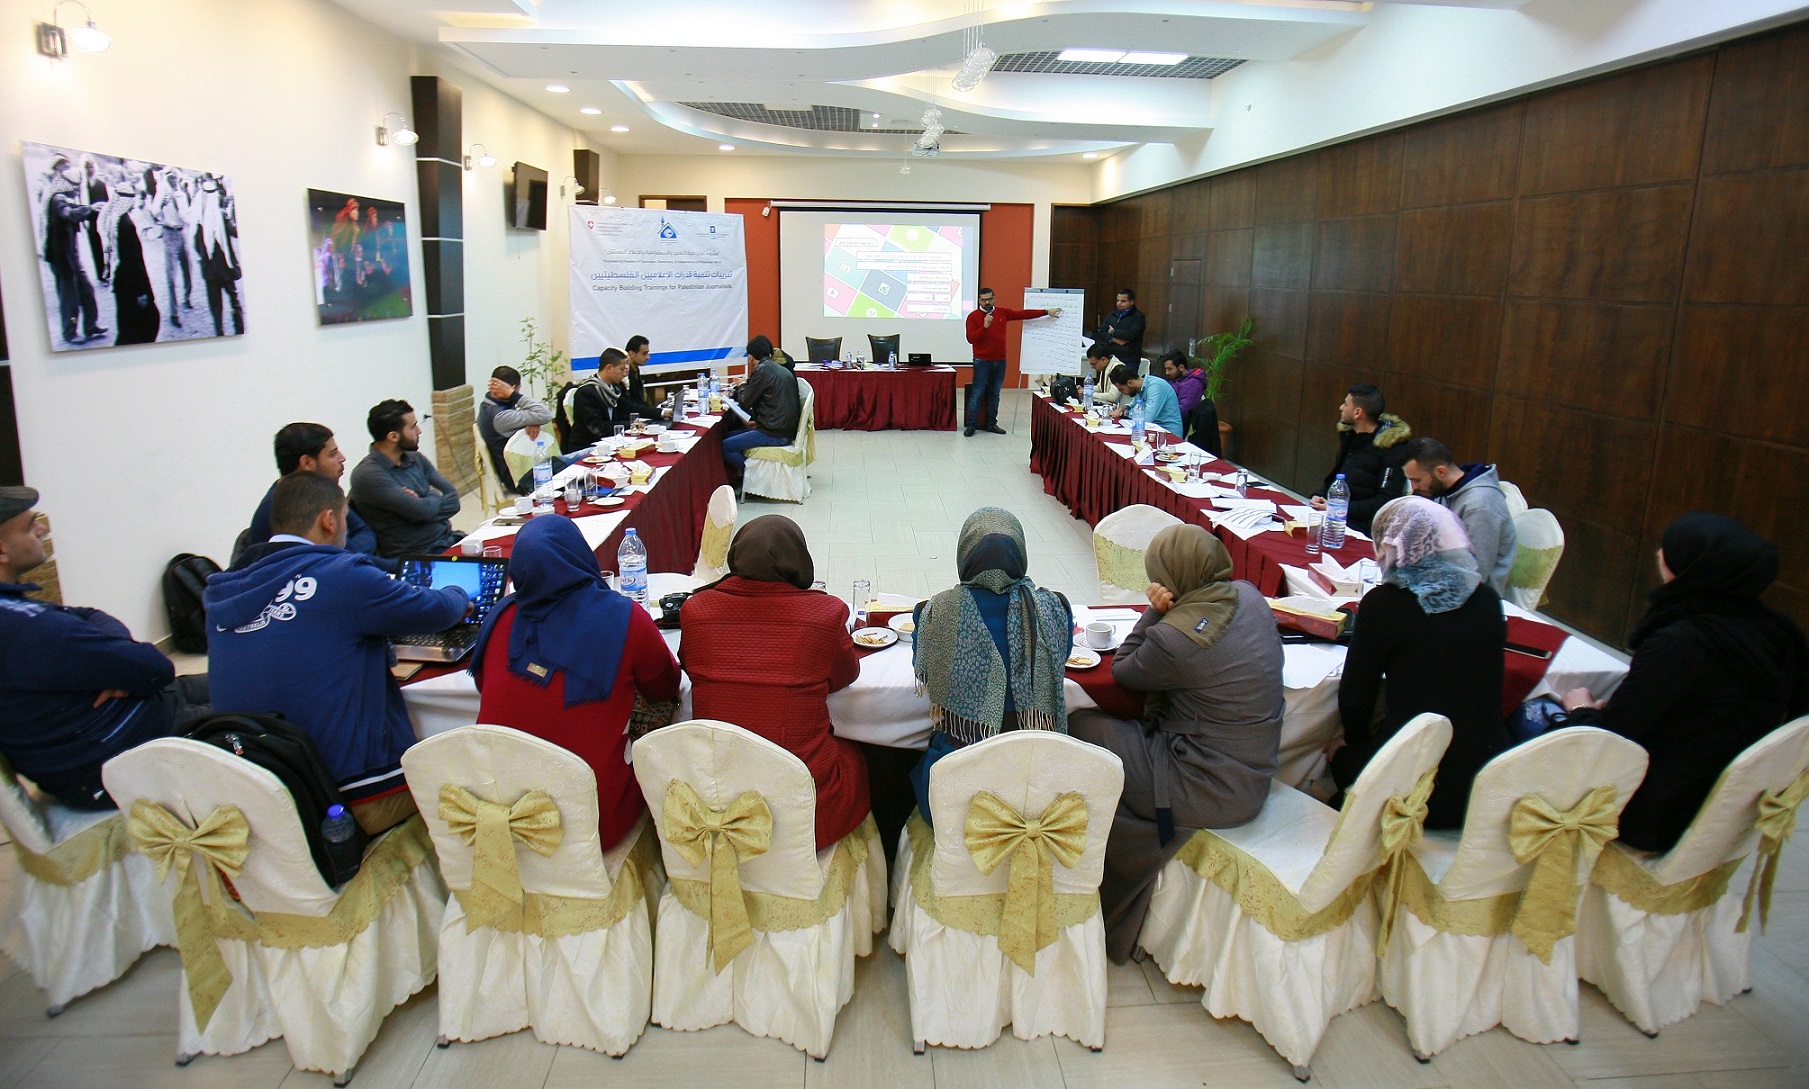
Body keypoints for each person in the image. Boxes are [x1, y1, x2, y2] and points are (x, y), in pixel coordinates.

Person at [206, 473, 470, 833]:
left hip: (256, 796)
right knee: (466, 768)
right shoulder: (340, 574)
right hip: (350, 797)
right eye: (345, 519)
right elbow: (436, 611)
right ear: (329, 520)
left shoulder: (224, 590)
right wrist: (459, 593)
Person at [1068, 525, 1284, 963]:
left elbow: (1124, 669)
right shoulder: (1249, 596)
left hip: (1205, 784)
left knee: (1081, 728)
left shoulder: (1174, 639)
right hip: (1254, 770)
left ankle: (1082, 861)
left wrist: (1154, 613)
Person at [1556, 513, 1809, 852]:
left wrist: (1580, 710)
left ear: (1695, 569)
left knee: (1533, 723)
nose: (1660, 553)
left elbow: (1613, 735)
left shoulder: (1683, 643)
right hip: (1731, 808)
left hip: (1654, 813)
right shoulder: (1779, 632)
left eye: (1671, 549)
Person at [472, 516, 680, 851]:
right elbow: (665, 687)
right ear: (580, 554)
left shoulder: (499, 617)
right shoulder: (624, 617)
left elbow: (484, 688)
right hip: (594, 823)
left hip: (501, 815)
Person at [0, 486, 210, 810]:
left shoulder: (16, 612)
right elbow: (156, 667)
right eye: (30, 527)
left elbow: (89, 615)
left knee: (247, 680)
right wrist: (120, 659)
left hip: (133, 718)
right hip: (124, 759)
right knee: (275, 709)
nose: (42, 529)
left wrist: (117, 660)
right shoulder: (29, 628)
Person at [679, 516, 868, 848]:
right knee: (860, 756)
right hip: (804, 804)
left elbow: (688, 664)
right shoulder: (824, 614)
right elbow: (846, 675)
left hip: (720, 797)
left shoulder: (696, 610)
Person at [1328, 497, 1506, 830]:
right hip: (1483, 782)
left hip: (1411, 784)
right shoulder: (1488, 600)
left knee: (1335, 760)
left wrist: (1352, 743)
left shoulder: (1384, 604)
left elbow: (1355, 699)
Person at [909, 508, 1073, 823]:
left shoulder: (935, 611)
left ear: (964, 556)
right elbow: (1062, 658)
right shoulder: (1054, 608)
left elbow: (924, 666)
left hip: (960, 795)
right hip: (1036, 790)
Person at [242, 422, 382, 567]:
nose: (342, 458)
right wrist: (351, 552)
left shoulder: (321, 493)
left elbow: (363, 532)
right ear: (307, 463)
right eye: (332, 454)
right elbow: (343, 557)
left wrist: (351, 550)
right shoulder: (279, 509)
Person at [1401, 437, 1518, 597]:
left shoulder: (1480, 506)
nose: (1414, 487)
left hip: (1473, 598)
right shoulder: (1444, 489)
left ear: (1441, 472)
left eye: (1417, 480)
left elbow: (1474, 574)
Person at [348, 399, 462, 557]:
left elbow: (453, 499)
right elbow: (423, 511)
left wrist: (424, 502)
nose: (419, 431)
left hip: (449, 539)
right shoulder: (369, 475)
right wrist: (430, 498)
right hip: (421, 555)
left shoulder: (416, 458)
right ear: (393, 437)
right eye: (413, 427)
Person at [1310, 383, 1412, 536]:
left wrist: (1337, 508)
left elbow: (1385, 501)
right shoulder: (1350, 436)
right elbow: (1337, 478)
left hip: (1361, 526)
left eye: (1345, 404)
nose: (1341, 408)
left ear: (1358, 412)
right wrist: (1319, 495)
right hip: (1335, 514)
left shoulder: (1392, 448)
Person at [963, 286, 1058, 438]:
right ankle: (971, 425)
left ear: (994, 299)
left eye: (989, 299)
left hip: (1000, 361)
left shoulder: (1002, 313)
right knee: (977, 393)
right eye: (983, 300)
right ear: (979, 301)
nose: (987, 302)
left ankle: (991, 423)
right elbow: (971, 338)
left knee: (995, 393)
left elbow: (1022, 314)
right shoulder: (973, 317)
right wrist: (985, 326)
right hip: (982, 361)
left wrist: (1046, 311)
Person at [37, 155, 106, 345]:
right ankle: (70, 332)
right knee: (69, 296)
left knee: (87, 290)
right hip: (60, 256)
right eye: (76, 187)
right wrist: (90, 208)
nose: (77, 190)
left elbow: (75, 208)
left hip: (71, 254)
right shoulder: (57, 199)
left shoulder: (63, 197)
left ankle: (91, 326)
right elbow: (69, 213)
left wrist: (91, 208)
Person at [722, 335, 802, 478]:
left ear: (751, 357)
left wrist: (742, 385)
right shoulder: (780, 368)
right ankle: (742, 476)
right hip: (784, 428)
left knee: (726, 445)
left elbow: (745, 402)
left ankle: (754, 476)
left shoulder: (762, 370)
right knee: (729, 435)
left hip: (775, 433)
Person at [477, 366, 553, 493]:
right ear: (512, 388)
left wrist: (532, 421)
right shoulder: (500, 416)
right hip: (524, 478)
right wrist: (513, 395)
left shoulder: (487, 405)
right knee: (580, 461)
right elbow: (545, 415)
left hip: (525, 468)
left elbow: (538, 416)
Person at [563, 348, 636, 452]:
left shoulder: (615, 387)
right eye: (621, 369)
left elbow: (629, 407)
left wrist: (657, 413)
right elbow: (597, 427)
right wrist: (630, 425)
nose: (624, 374)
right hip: (587, 447)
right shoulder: (587, 392)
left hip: (609, 442)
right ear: (609, 368)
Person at [1108, 362, 1184, 437]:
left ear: (1130, 383)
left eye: (1121, 389)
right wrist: (1123, 408)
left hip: (1168, 434)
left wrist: (1125, 413)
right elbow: (1134, 405)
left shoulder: (1155, 387)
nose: (1122, 393)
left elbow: (1146, 419)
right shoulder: (1138, 388)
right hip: (1152, 431)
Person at [1096, 288, 1145, 368]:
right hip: (1111, 356)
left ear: (1131, 302)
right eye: (1118, 300)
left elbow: (1131, 334)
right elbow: (1102, 332)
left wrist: (1113, 332)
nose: (1119, 303)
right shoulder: (1112, 315)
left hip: (1129, 357)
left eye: (1123, 301)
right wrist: (1113, 339)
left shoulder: (1138, 317)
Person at [1158, 350, 1207, 422]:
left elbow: (1183, 411)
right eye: (1166, 369)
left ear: (1181, 367)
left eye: (1170, 369)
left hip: (1177, 422)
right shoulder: (1176, 379)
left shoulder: (1193, 384)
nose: (1167, 373)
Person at [622, 335, 662, 418]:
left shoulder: (635, 369)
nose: (648, 357)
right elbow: (630, 405)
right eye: (644, 353)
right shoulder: (624, 375)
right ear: (631, 354)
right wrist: (658, 413)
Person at [1085, 340, 1123, 405]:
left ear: (1103, 360)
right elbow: (1100, 388)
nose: (1092, 367)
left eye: (1094, 364)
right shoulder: (1105, 366)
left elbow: (1112, 397)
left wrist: (1089, 393)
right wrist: (1085, 390)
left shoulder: (1118, 369)